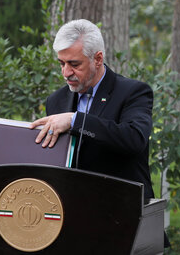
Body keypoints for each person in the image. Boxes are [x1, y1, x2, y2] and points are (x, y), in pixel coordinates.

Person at [30, 19, 155, 201]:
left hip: (124, 211)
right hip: (73, 211)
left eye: (74, 64)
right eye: (61, 63)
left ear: (97, 59)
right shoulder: (56, 101)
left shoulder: (133, 92)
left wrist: (76, 121)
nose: (66, 72)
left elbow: (134, 139)